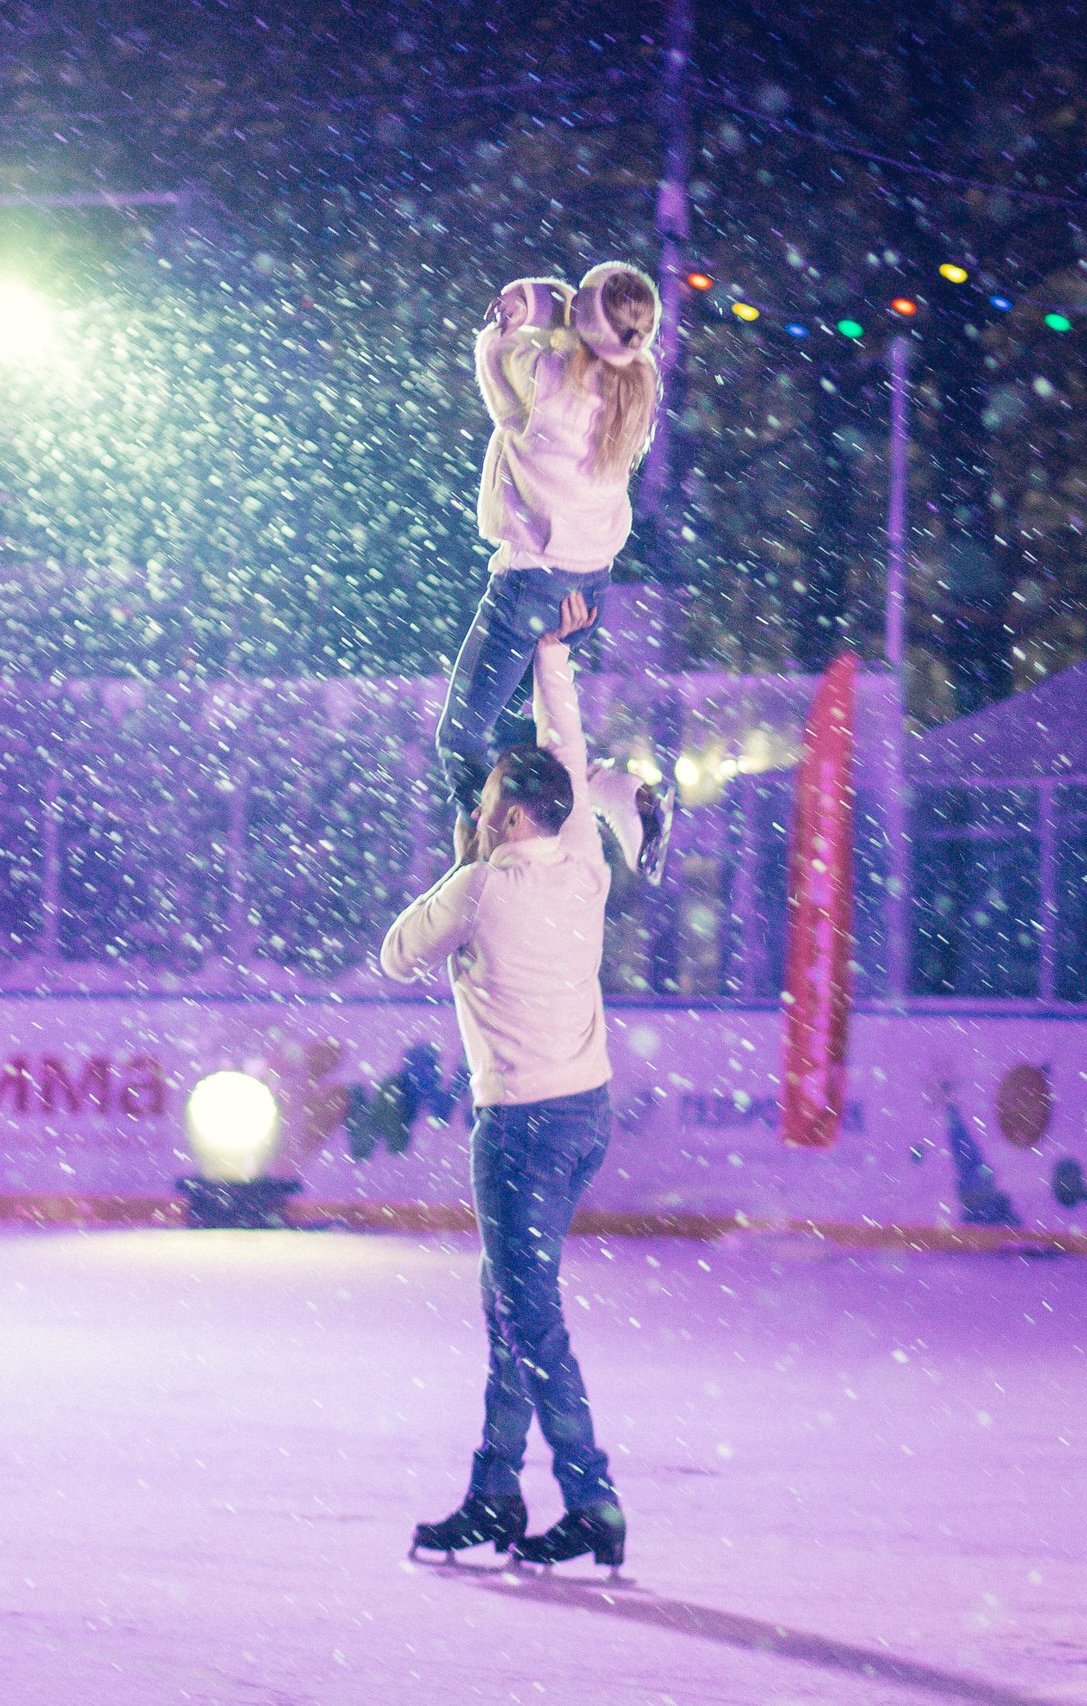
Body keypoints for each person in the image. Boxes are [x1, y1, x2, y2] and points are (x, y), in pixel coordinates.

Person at [384, 591, 627, 1572]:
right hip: (586, 1114)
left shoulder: (482, 884)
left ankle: (591, 1496)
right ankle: (493, 1488)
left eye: (485, 805)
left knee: (527, 1312)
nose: (476, 813)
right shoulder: (581, 861)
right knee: (509, 1299)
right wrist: (553, 651)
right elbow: (565, 751)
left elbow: (394, 952)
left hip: (520, 1128)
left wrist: (458, 870)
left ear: (510, 813)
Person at [436, 262, 669, 884]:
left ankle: (480, 861)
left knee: (462, 737)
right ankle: (620, 796)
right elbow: (583, 324)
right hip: (588, 585)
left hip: (532, 583)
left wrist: (507, 323)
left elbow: (497, 381)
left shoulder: (551, 382)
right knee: (535, 744)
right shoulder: (641, 383)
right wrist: (550, 307)